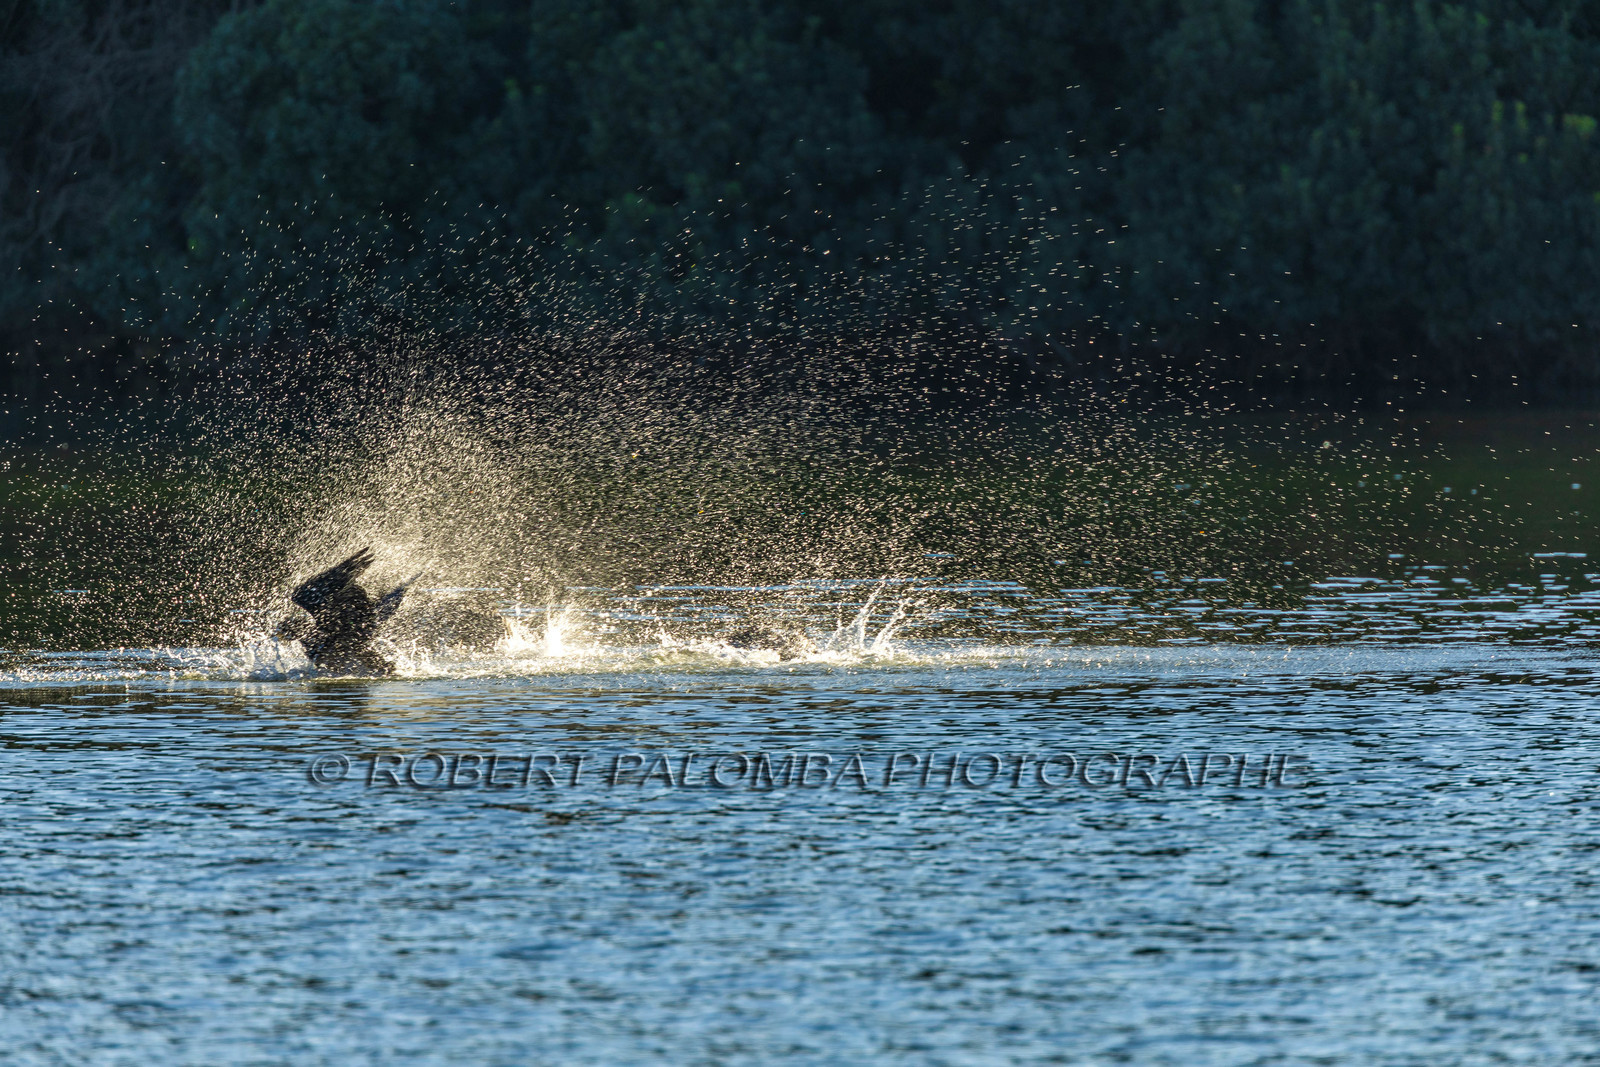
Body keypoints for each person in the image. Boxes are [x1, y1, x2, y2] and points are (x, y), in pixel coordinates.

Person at [276, 548, 416, 675]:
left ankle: (387, 670)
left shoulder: (326, 627)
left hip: (356, 635)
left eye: (288, 632)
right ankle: (386, 670)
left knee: (302, 595)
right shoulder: (317, 637)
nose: (284, 638)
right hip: (360, 634)